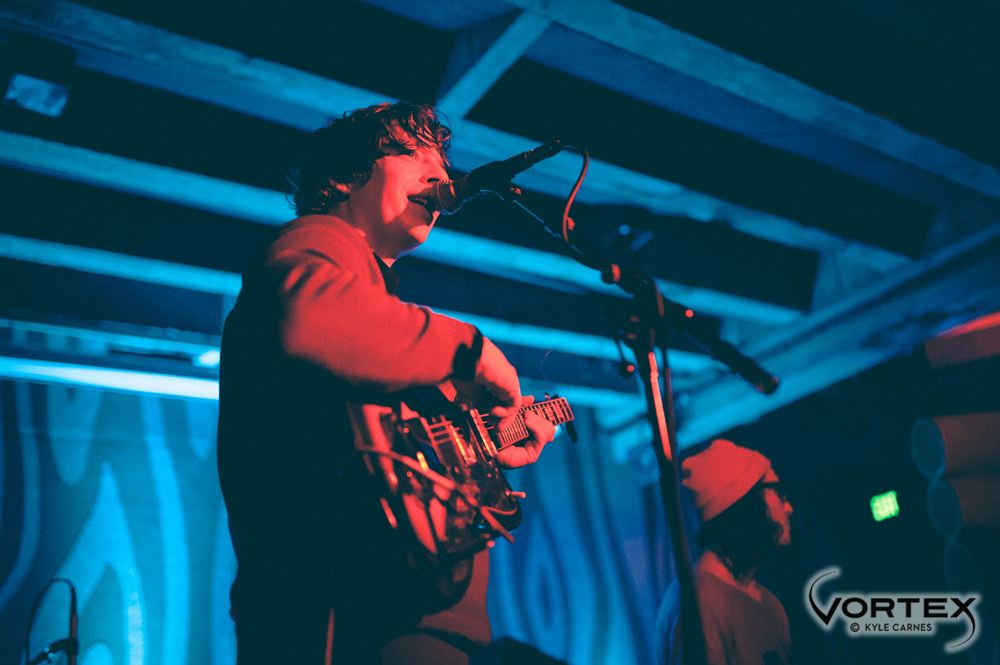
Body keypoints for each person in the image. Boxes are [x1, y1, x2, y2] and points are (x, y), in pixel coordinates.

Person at [217, 102, 556, 664]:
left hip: (394, 619)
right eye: (412, 153)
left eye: (441, 161)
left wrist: (484, 448)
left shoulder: (379, 315)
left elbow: (374, 454)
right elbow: (308, 318)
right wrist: (469, 349)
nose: (439, 173)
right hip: (350, 617)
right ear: (344, 175)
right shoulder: (319, 240)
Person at [657, 439, 794, 665]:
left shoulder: (769, 605)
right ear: (745, 503)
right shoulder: (699, 602)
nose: (788, 507)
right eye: (779, 491)